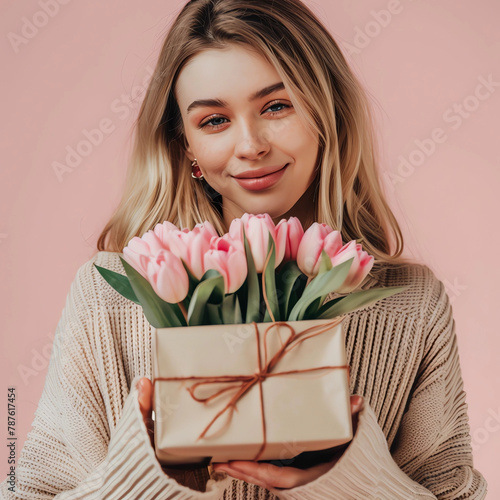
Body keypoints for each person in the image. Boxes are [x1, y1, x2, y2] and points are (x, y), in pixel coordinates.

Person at [0, 0, 488, 498]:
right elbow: (27, 492)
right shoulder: (111, 296)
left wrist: (354, 478)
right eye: (214, 120)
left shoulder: (412, 303)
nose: (250, 144)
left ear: (328, 112)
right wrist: (144, 474)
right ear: (186, 145)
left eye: (276, 106)